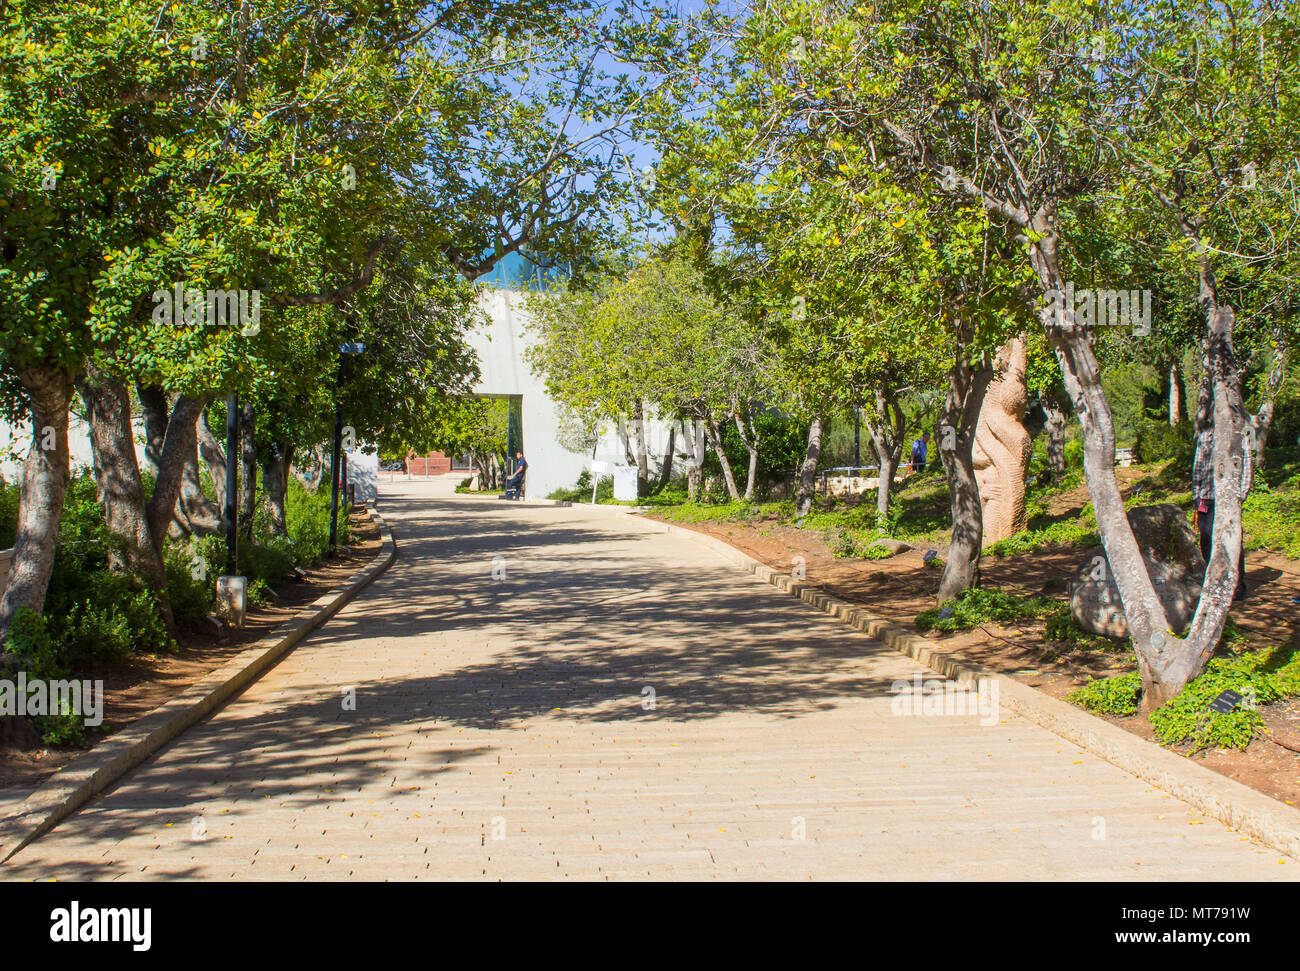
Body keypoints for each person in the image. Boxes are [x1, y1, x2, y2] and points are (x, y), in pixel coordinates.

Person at [1191, 425, 1247, 601]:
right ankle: (1212, 582)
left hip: (1228, 499)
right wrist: (1196, 495)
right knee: (1207, 539)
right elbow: (1197, 467)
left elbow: (1246, 466)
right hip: (1206, 498)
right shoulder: (1205, 436)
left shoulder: (1239, 435)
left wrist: (1241, 494)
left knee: (1231, 540)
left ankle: (1236, 585)